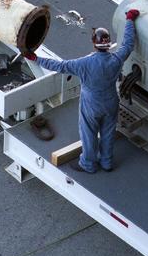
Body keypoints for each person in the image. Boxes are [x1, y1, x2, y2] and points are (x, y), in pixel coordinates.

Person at [25, 9, 139, 173]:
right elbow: (128, 44)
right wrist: (130, 20)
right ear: (107, 44)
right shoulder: (116, 58)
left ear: (94, 43)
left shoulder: (84, 64)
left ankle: (88, 164)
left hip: (91, 104)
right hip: (111, 102)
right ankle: (107, 163)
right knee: (108, 132)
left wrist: (35, 58)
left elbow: (60, 66)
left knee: (89, 134)